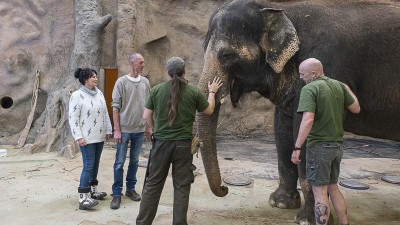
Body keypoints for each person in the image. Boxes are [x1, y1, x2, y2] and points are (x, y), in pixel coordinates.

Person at [136, 57, 223, 225]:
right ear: (185, 71)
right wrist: (212, 92)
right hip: (183, 146)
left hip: (160, 144)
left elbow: (146, 115)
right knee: (182, 186)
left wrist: (155, 129)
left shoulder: (157, 90)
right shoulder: (193, 92)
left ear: (168, 73)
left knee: (153, 185)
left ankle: (143, 222)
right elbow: (209, 110)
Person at [291, 58, 360, 225]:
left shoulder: (310, 89)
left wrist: (297, 147)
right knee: (333, 188)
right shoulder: (338, 86)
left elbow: (307, 120)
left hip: (319, 147)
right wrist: (347, 89)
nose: (301, 78)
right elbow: (356, 108)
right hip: (337, 146)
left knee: (319, 192)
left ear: (314, 73)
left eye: (303, 74)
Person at [110, 53, 151, 209]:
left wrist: (149, 126)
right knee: (119, 163)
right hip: (124, 130)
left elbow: (149, 106)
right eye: (141, 62)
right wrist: (117, 130)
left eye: (143, 62)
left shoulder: (146, 82)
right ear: (132, 63)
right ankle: (116, 193)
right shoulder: (121, 82)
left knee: (134, 161)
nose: (143, 65)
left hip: (140, 130)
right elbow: (115, 107)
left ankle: (131, 189)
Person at [68, 68, 112, 210]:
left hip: (99, 136)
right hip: (86, 139)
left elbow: (105, 111)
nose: (96, 79)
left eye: (95, 76)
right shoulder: (77, 95)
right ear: (85, 79)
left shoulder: (98, 93)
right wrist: (78, 137)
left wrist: (108, 129)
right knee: (88, 166)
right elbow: (73, 118)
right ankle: (83, 198)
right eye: (93, 77)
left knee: (96, 164)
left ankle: (93, 191)